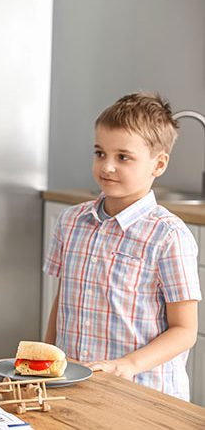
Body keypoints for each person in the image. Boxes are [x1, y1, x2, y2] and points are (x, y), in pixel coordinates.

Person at [43, 92, 201, 400]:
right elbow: (62, 302)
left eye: (123, 157)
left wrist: (128, 365)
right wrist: (46, 363)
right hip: (76, 387)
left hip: (143, 397)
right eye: (100, 153)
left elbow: (184, 331)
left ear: (159, 164)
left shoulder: (169, 235)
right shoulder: (70, 222)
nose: (107, 167)